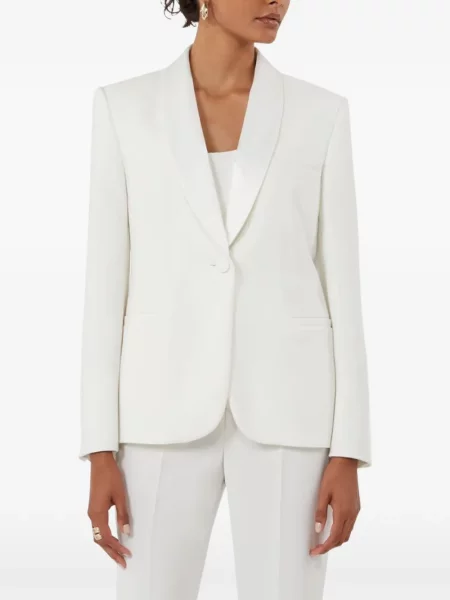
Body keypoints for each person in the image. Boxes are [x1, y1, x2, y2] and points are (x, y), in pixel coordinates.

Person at [79, 1, 372, 598]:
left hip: (290, 411)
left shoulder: (321, 114)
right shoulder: (124, 109)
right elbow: (105, 289)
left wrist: (349, 450)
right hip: (158, 410)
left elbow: (344, 290)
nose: (278, 0)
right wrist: (99, 447)